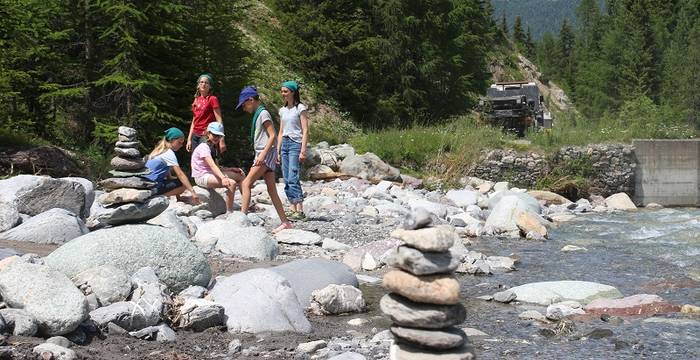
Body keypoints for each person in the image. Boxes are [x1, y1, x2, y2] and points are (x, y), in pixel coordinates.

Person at [236, 86, 293, 233]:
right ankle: (285, 221)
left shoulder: (263, 114)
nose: (243, 108)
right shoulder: (260, 114)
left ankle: (242, 219)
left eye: (244, 104)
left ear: (251, 100)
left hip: (265, 155)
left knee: (246, 183)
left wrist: (262, 156)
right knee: (271, 189)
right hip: (267, 155)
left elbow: (273, 135)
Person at [190, 122, 245, 212]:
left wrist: (229, 169)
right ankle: (229, 212)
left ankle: (245, 205)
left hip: (210, 173)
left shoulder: (212, 146)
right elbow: (211, 165)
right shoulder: (204, 146)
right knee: (232, 184)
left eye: (219, 136)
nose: (217, 138)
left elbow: (215, 166)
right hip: (201, 176)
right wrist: (223, 178)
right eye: (214, 135)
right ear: (208, 133)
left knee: (240, 175)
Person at [276, 80, 308, 221]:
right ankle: (292, 207)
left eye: (285, 91)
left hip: (295, 143)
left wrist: (303, 150)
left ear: (293, 92)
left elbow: (305, 130)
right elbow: (281, 131)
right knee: (286, 177)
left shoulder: (300, 108)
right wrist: (277, 150)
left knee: (293, 175)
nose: (283, 94)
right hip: (285, 144)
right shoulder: (282, 110)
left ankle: (300, 210)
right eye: (282, 91)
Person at [145, 127, 200, 204]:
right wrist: (193, 193)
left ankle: (156, 195)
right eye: (179, 142)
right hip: (152, 187)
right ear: (172, 140)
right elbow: (180, 174)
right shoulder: (169, 153)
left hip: (146, 186)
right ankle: (157, 197)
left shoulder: (158, 151)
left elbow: (169, 177)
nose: (181, 145)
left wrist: (178, 197)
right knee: (183, 184)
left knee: (179, 181)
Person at [186, 73, 226, 155]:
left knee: (206, 158)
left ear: (210, 86)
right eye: (201, 82)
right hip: (195, 135)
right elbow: (194, 120)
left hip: (206, 135)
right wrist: (189, 139)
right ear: (198, 85)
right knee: (196, 160)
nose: (203, 84)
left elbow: (219, 120)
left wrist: (222, 140)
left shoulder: (212, 99)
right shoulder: (196, 99)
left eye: (206, 83)